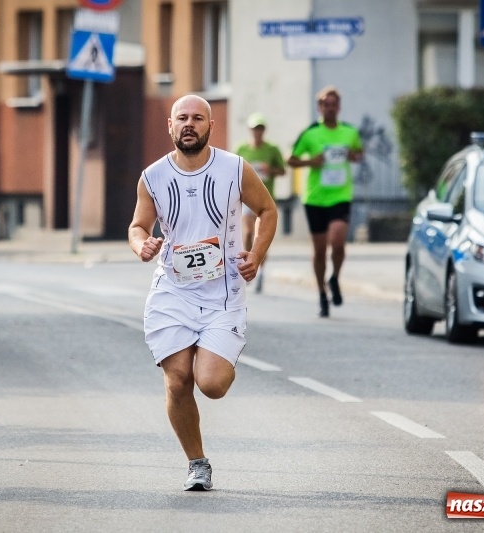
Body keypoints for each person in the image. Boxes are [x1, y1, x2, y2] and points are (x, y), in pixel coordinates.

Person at [128, 94, 278, 491]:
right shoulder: (153, 176)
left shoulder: (234, 168)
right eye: (182, 118)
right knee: (178, 380)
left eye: (198, 118)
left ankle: (221, 352)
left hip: (223, 294)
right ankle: (197, 463)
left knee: (210, 384)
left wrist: (256, 256)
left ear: (211, 125)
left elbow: (267, 210)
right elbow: (138, 225)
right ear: (170, 125)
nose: (190, 124)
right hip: (172, 293)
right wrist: (141, 244)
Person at [287, 86, 363, 318]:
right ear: (319, 107)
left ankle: (335, 278)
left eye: (333, 105)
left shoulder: (349, 132)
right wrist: (311, 163)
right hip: (315, 198)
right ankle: (322, 293)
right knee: (320, 251)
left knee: (338, 241)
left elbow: (359, 153)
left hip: (341, 195)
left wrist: (353, 156)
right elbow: (291, 160)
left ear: (338, 108)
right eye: (325, 105)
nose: (330, 108)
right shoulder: (310, 133)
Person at [234, 112, 286, 293]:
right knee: (248, 234)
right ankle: (250, 263)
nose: (258, 132)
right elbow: (232, 172)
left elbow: (282, 171)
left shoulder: (272, 150)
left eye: (261, 129)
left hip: (266, 201)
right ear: (250, 130)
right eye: (255, 129)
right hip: (247, 200)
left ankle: (261, 271)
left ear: (264, 131)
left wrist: (269, 170)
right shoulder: (241, 149)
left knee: (262, 237)